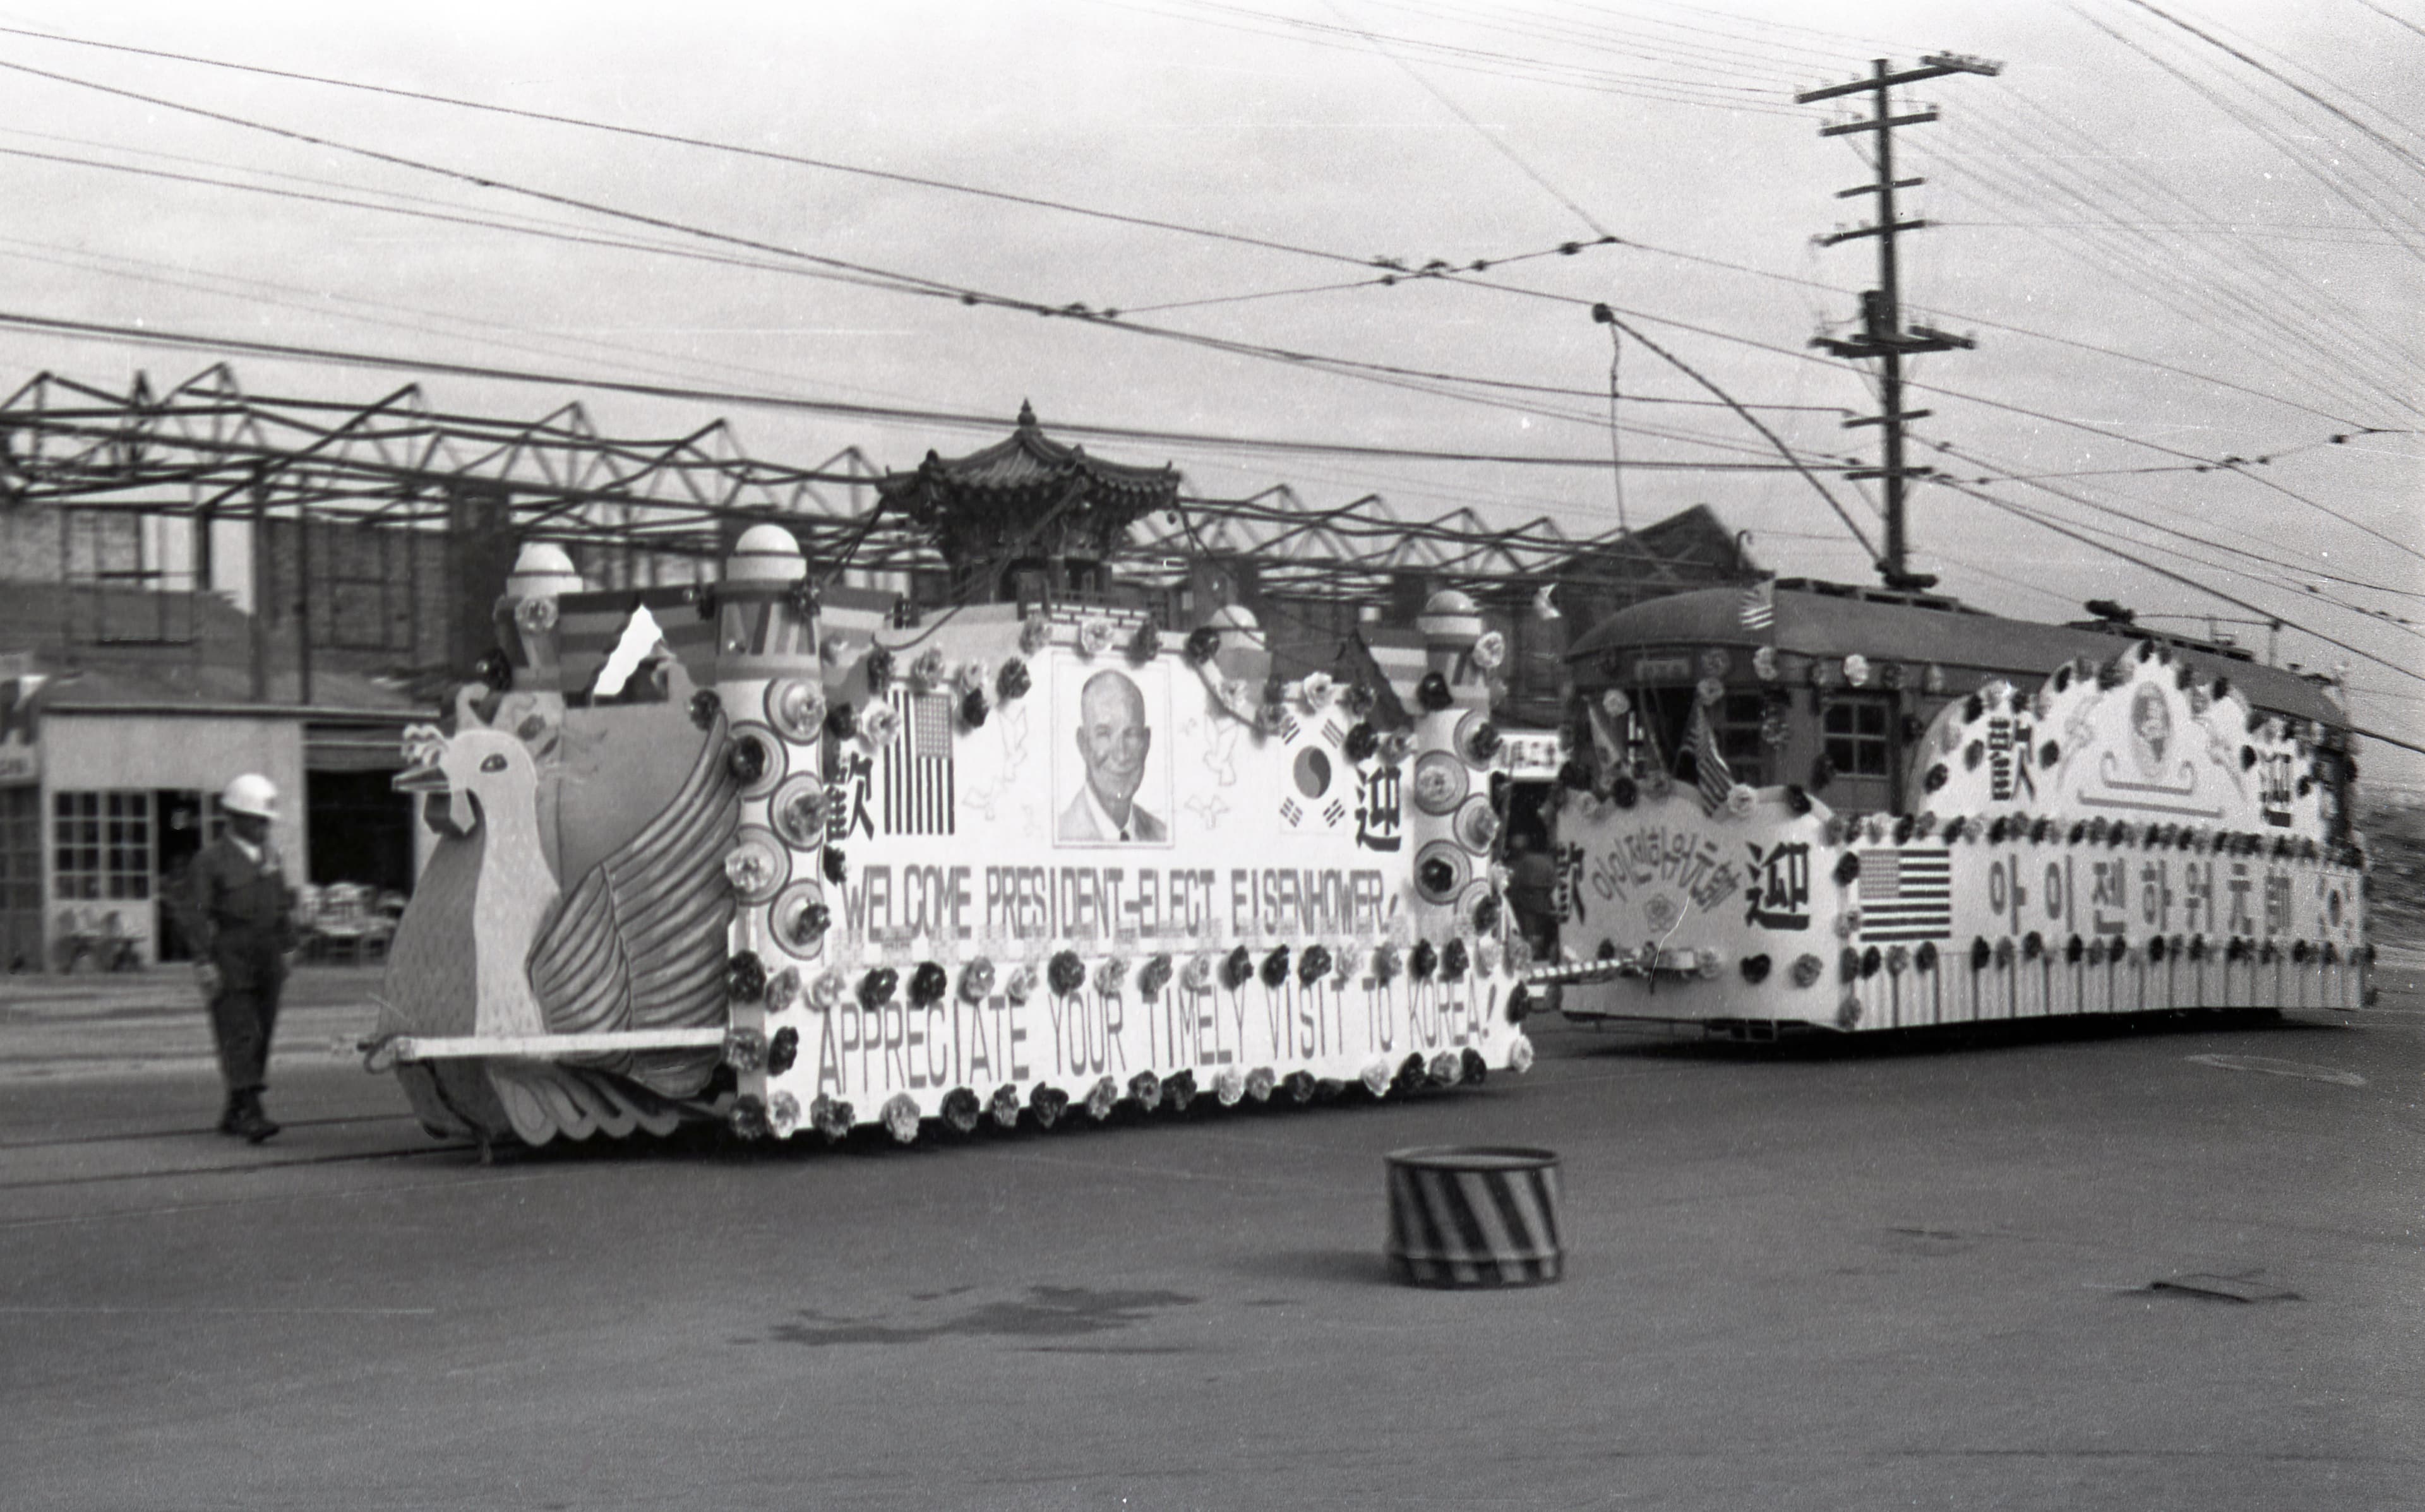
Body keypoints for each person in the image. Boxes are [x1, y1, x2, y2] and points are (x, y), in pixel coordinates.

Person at [184, 774, 298, 1142]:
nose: (263, 828)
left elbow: (281, 904)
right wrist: (203, 960)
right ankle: (251, 1110)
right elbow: (196, 914)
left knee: (263, 1029)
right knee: (238, 1029)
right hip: (231, 953)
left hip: (268, 953)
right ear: (234, 817)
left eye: (266, 821)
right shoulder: (210, 860)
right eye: (256, 821)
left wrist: (289, 946)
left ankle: (236, 1109)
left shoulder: (271, 858)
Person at [1058, 669, 1166, 843]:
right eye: (1104, 734)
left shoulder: (1162, 835)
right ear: (1083, 744)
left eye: (1131, 734)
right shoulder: (1061, 834)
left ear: (1146, 743)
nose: (1121, 755)